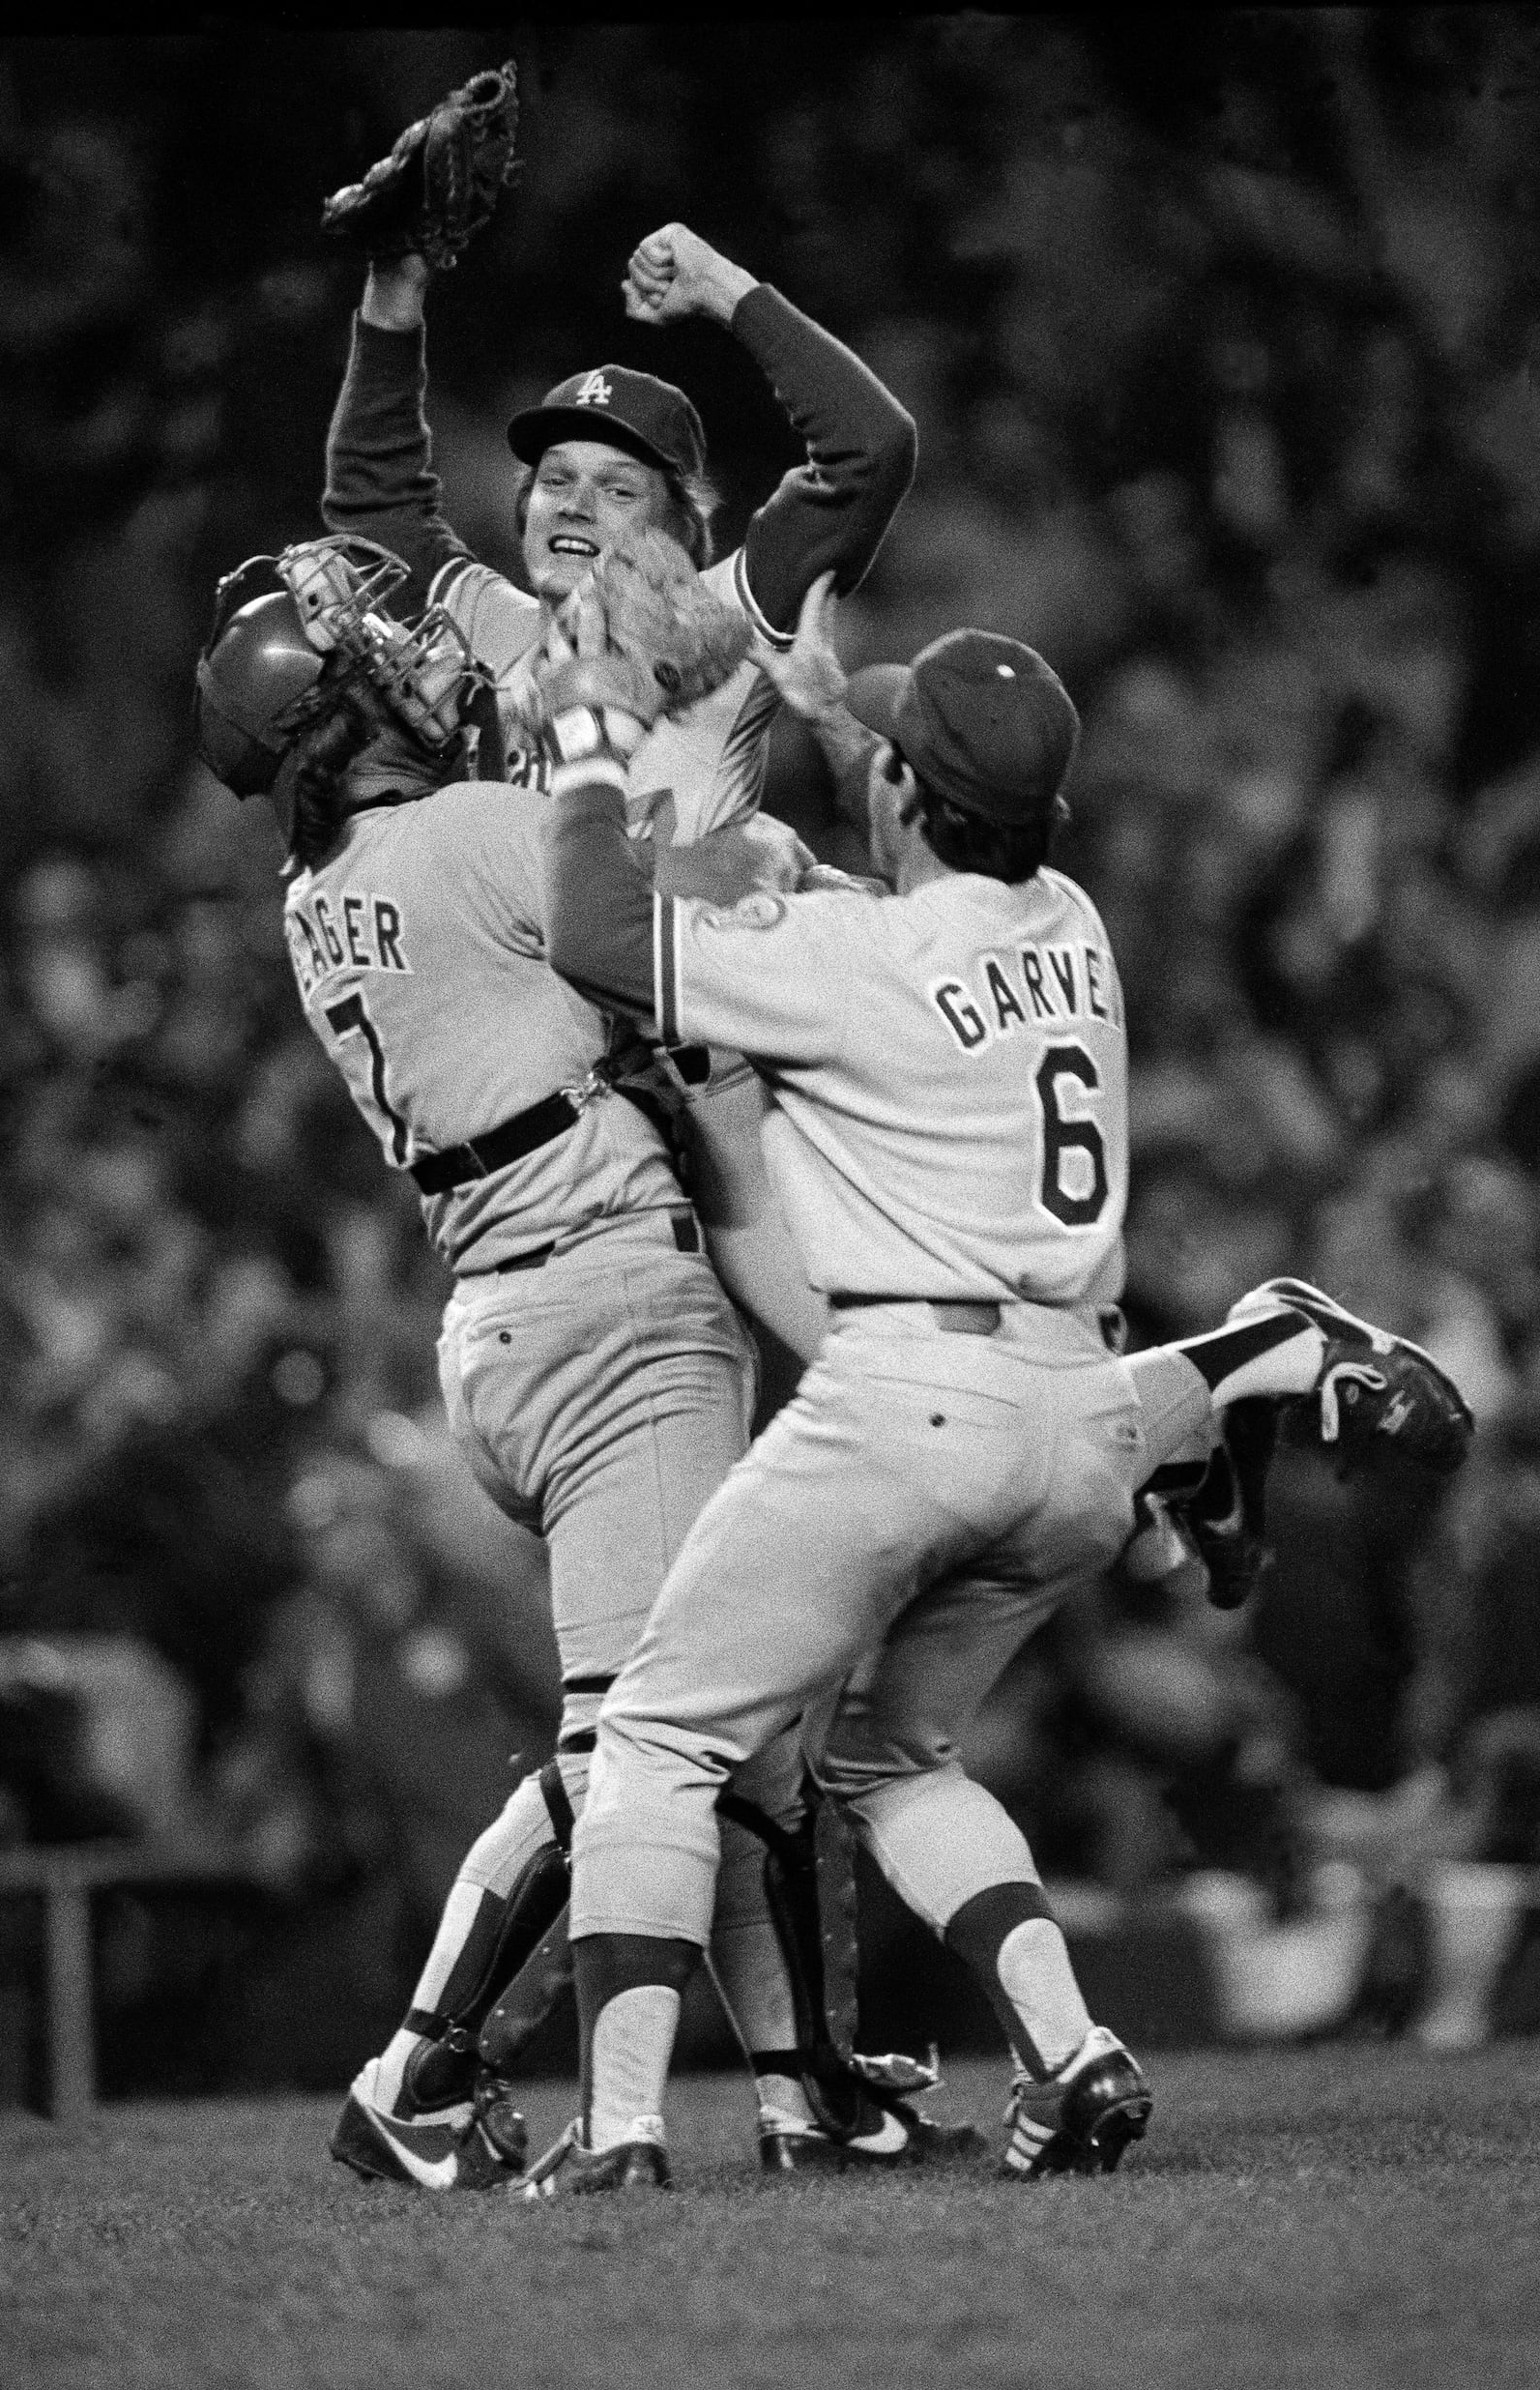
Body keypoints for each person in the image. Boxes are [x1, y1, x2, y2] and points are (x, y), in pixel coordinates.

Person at [527, 590, 1474, 2191]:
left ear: (909, 790)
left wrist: (586, 735)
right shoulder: (1073, 922)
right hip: (1076, 1424)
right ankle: (1072, 2050)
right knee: (890, 1753)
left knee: (655, 1738)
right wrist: (832, 710)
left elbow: (595, 936)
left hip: (909, 1399)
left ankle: (619, 2130)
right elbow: (934, 814)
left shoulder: (853, 957)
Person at [191, 534, 979, 2193]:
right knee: (638, 1747)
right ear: (334, 729)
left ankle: (808, 2091)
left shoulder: (323, 888)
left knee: (746, 1723)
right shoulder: (480, 832)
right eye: (375, 666)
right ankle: (420, 2072)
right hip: (616, 1309)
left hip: (511, 1318)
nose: (415, 668)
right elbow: (675, 914)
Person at [323, 217, 917, 1359]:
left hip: (753, 1107)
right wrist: (394, 293)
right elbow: (374, 513)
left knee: (904, 1390)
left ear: (683, 522)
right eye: (553, 482)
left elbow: (868, 451)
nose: (574, 506)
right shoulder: (492, 627)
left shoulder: (722, 616)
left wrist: (723, 284)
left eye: (616, 487)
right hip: (605, 1140)